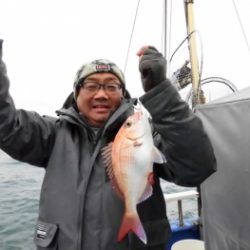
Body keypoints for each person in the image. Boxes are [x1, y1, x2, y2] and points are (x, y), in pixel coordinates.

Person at [0, 39, 216, 250]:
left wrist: (161, 91)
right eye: (91, 86)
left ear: (123, 94)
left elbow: (196, 168)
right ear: (76, 93)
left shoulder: (146, 134)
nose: (101, 94)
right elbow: (6, 125)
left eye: (111, 86)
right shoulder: (51, 134)